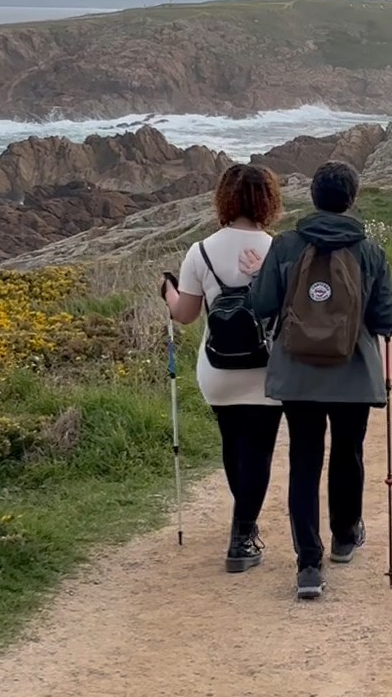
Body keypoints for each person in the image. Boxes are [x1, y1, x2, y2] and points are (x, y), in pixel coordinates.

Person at [239, 160, 392, 600]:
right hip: (352, 376)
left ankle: (308, 565)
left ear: (313, 198)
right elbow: (387, 320)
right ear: (351, 200)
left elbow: (262, 306)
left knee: (305, 463)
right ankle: (345, 537)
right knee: (348, 453)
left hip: (298, 375)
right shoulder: (370, 251)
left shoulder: (287, 246)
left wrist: (259, 277)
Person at [160, 164, 285, 574]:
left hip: (217, 370)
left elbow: (186, 315)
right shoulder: (280, 250)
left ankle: (243, 523)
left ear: (224, 199)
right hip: (267, 369)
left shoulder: (200, 250)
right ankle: (242, 534)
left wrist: (168, 291)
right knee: (260, 451)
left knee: (233, 445)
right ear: (268, 201)